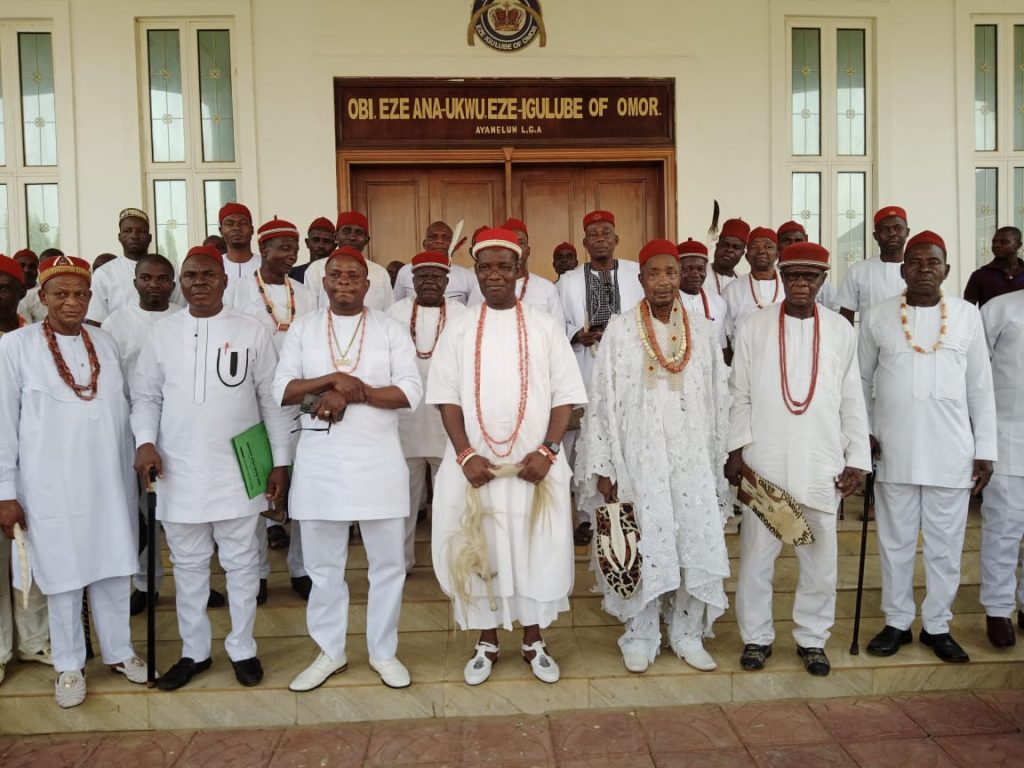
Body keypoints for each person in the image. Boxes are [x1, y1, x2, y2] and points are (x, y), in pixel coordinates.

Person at [427, 228, 587, 686]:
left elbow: (565, 396)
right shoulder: (457, 327)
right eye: (485, 267)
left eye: (504, 266)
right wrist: (464, 455)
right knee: (480, 550)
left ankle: (534, 640)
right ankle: (487, 640)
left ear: (520, 271)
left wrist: (548, 450)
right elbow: (446, 398)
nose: (494, 275)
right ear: (475, 273)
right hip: (473, 469)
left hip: (536, 468)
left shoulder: (544, 325)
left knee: (535, 549)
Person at [131, 244, 292, 691]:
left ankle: (242, 648)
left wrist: (281, 462)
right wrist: (145, 442)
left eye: (207, 274)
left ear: (223, 280)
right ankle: (194, 651)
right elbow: (146, 396)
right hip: (178, 472)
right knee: (188, 566)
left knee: (241, 564)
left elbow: (271, 402)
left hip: (238, 472)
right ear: (181, 284)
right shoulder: (163, 333)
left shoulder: (251, 330)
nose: (198, 282)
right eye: (190, 275)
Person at [576, 239, 731, 674]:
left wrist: (719, 457)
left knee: (689, 539)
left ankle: (685, 632)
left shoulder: (702, 329)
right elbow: (602, 402)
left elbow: (720, 398)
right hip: (637, 458)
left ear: (681, 278)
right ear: (640, 279)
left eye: (671, 273)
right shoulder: (621, 330)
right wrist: (603, 465)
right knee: (639, 541)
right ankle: (640, 633)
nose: (663, 281)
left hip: (690, 457)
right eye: (654, 274)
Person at [0, 254, 146, 708]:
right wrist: (5, 493)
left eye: (80, 293)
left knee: (113, 567)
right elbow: (3, 423)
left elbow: (122, 410)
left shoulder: (103, 342)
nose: (72, 302)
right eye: (60, 294)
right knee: (62, 576)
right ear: (41, 298)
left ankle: (119, 652)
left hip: (107, 481)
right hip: (49, 486)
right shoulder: (15, 347)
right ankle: (68, 664)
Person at [274, 246, 421, 692]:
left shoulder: (389, 328)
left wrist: (353, 393)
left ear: (367, 282)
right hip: (320, 464)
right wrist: (331, 381)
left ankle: (383, 651)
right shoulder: (303, 329)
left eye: (353, 276)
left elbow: (410, 391)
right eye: (335, 275)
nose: (343, 282)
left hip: (378, 462)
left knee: (388, 565)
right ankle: (330, 651)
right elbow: (283, 390)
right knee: (323, 567)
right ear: (323, 281)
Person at [727, 242, 871, 676]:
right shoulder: (754, 326)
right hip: (764, 461)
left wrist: (856, 457)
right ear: (783, 278)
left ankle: (812, 639)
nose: (802, 284)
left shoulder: (842, 331)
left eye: (811, 276)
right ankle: (756, 638)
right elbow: (740, 395)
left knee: (820, 562)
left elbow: (852, 398)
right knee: (756, 559)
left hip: (821, 461)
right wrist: (736, 452)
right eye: (794, 276)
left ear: (824, 280)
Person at [859, 231, 997, 663]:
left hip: (952, 451)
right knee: (895, 543)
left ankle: (937, 625)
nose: (923, 268)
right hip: (893, 449)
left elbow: (981, 385)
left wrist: (985, 448)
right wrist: (863, 435)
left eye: (932, 262)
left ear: (946, 270)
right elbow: (860, 381)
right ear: (902, 269)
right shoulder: (877, 315)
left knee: (944, 545)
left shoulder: (966, 316)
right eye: (915, 262)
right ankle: (897, 622)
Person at [225, 217, 315, 601]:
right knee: (258, 488)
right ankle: (258, 573)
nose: (291, 254)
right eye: (283, 247)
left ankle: (300, 568)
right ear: (264, 249)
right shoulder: (239, 292)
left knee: (300, 491)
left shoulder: (306, 292)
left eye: (295, 248)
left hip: (297, 404)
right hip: (253, 404)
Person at [102, 254, 185, 616]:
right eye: (147, 278)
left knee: (180, 512)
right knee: (140, 509)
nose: (155, 285)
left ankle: (189, 582)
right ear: (134, 282)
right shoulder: (114, 323)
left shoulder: (184, 319)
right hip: (130, 425)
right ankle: (145, 584)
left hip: (179, 425)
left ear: (173, 283)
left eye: (163, 278)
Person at [557, 210, 644, 543]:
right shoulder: (568, 282)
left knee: (625, 440)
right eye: (593, 235)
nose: (600, 239)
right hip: (586, 370)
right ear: (585, 243)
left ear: (616, 238)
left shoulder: (636, 273)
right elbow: (558, 324)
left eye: (606, 233)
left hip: (630, 374)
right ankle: (584, 517)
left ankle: (627, 506)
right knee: (583, 445)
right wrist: (576, 335)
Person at [387, 251, 467, 572]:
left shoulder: (462, 313)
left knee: (450, 500)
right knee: (403, 501)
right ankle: (400, 564)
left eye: (437, 276)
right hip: (405, 421)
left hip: (446, 421)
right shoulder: (395, 312)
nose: (430, 282)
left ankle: (451, 565)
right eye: (423, 277)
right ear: (412, 281)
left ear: (447, 281)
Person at [0, 255, 50, 686]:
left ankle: (34, 641)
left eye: (4, 287)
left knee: (28, 555)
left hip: (30, 460)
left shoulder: (36, 337)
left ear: (21, 293)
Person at [980, 289, 1024, 646]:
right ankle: (997, 611)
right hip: (1008, 439)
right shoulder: (1001, 308)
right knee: (1003, 530)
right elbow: (976, 373)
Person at [471, 218, 565, 326]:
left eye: (521, 243)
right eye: (511, 243)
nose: (517, 249)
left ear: (528, 251)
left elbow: (558, 329)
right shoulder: (481, 288)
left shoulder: (547, 288)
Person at [302, 211, 395, 312]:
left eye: (358, 233)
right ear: (336, 237)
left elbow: (389, 313)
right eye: (346, 231)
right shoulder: (316, 269)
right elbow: (309, 312)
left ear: (366, 240)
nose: (352, 237)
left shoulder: (380, 273)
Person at [836, 206, 910, 325]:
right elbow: (846, 318)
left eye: (898, 228)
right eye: (885, 230)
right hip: (870, 343)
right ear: (875, 236)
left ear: (907, 232)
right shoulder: (858, 271)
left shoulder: (918, 271)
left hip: (909, 342)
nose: (892, 233)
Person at [86, 208, 157, 324]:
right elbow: (96, 321)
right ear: (119, 237)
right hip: (117, 341)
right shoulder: (104, 273)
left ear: (150, 238)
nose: (134, 235)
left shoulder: (167, 271)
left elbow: (177, 311)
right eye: (127, 231)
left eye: (140, 231)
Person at [721, 226, 785, 346]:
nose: (761, 251)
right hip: (743, 360)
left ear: (777, 254)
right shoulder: (732, 290)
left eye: (768, 246)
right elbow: (726, 336)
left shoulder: (788, 286)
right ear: (747, 256)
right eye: (754, 247)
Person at [393, 220, 478, 304]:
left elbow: (473, 312)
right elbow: (396, 308)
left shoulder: (468, 277)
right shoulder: (405, 271)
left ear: (454, 245)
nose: (439, 241)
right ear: (424, 244)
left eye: (446, 238)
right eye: (432, 237)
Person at [777, 221, 839, 312]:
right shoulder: (771, 275)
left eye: (798, 240)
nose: (793, 245)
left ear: (806, 240)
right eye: (787, 241)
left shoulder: (818, 276)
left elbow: (835, 310)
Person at [677, 238, 727, 349]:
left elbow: (721, 346)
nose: (695, 274)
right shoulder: (667, 301)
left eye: (700, 269)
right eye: (688, 269)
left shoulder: (718, 302)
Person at [964, 226, 1024, 307]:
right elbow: (967, 309)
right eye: (994, 242)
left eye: (1004, 242)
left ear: (1018, 245)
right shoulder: (979, 275)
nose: (996, 245)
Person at [704, 218, 748, 297]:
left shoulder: (742, 283)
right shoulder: (701, 274)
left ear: (742, 253)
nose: (729, 250)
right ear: (717, 246)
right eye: (725, 245)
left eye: (736, 247)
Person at [217, 202, 259, 284]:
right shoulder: (214, 267)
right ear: (221, 231)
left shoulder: (266, 267)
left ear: (252, 229)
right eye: (229, 224)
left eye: (243, 223)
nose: (236, 227)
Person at [289, 217, 336, 283]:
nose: (321, 245)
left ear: (334, 246)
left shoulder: (338, 276)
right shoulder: (292, 275)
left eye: (326, 241)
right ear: (307, 243)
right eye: (316, 240)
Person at [14, 249, 45, 323]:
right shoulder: (7, 294)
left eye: (32, 266)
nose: (27, 270)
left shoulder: (45, 292)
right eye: (22, 265)